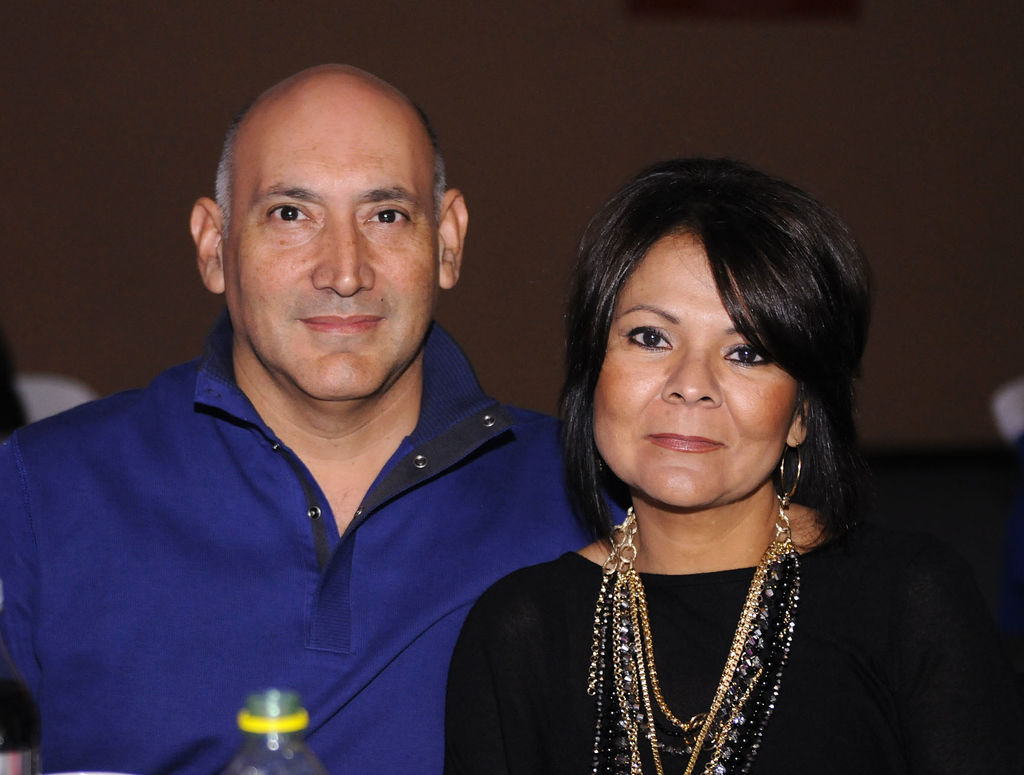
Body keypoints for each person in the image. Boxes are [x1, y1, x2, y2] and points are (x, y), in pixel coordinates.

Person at [0, 65, 591, 775]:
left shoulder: (586, 496)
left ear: (448, 241)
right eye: (290, 214)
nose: (344, 271)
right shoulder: (43, 488)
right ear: (214, 246)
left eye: (386, 215)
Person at [445, 158, 1024, 774]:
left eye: (746, 352)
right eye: (650, 337)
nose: (691, 384)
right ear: (594, 375)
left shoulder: (909, 600)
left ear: (801, 412)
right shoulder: (520, 628)